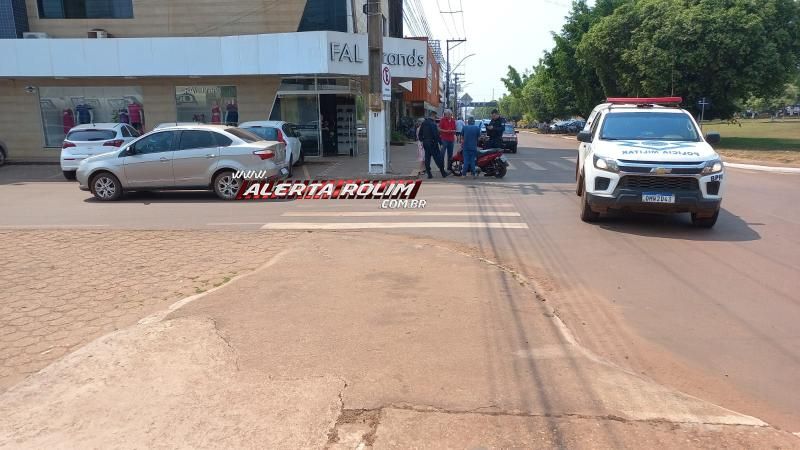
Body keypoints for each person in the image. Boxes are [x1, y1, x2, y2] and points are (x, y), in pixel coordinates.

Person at [420, 111, 448, 179]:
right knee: (438, 158)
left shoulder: (424, 123)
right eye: (435, 117)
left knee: (427, 158)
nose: (435, 118)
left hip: (425, 143)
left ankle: (429, 174)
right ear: (433, 116)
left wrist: (422, 140)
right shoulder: (433, 124)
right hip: (432, 143)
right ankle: (443, 173)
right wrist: (440, 143)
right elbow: (436, 135)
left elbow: (420, 134)